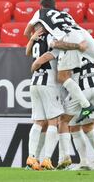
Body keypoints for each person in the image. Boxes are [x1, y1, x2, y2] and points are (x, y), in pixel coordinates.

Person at [32, 55, 94, 171]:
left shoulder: (69, 53)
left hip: (80, 91)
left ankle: (68, 158)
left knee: (64, 121)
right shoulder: (90, 51)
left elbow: (62, 76)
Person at [25, 23, 63, 170]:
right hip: (48, 82)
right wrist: (37, 63)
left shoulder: (36, 38)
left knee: (39, 121)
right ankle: (47, 159)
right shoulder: (52, 38)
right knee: (53, 121)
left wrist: (31, 39)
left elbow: (27, 52)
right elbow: (49, 55)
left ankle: (31, 157)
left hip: (35, 81)